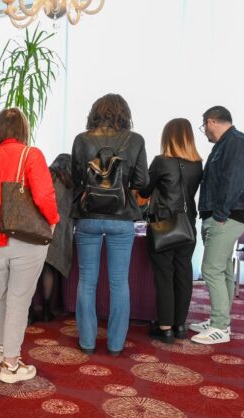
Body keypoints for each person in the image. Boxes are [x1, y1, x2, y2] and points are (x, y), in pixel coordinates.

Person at [0, 108, 59, 383]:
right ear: (23, 129)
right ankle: (11, 365)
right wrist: (53, 221)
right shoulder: (31, 155)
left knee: (2, 295)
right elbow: (44, 195)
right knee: (19, 300)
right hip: (25, 239)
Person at [71, 93, 148, 356]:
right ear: (124, 114)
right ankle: (115, 345)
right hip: (122, 217)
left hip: (88, 216)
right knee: (119, 282)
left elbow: (76, 178)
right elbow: (142, 182)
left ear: (95, 112)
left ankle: (87, 342)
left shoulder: (82, 139)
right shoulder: (135, 140)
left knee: (86, 281)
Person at [190, 106, 244, 345]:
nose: (205, 132)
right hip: (222, 215)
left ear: (211, 121)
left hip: (226, 216)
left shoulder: (236, 142)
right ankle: (221, 321)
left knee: (211, 269)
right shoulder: (225, 144)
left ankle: (219, 327)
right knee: (224, 269)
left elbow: (233, 181)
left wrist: (220, 214)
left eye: (204, 127)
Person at [138, 119, 203, 343]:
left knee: (164, 275)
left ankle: (165, 327)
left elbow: (144, 191)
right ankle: (180, 326)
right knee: (183, 274)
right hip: (188, 225)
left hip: (163, 225)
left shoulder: (161, 161)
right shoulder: (197, 164)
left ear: (168, 137)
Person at [31, 153, 74, 323]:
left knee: (31, 271)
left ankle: (29, 311)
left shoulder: (46, 176)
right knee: (49, 269)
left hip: (39, 228)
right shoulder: (71, 184)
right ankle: (47, 310)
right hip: (59, 232)